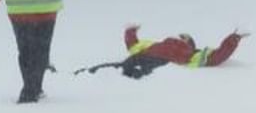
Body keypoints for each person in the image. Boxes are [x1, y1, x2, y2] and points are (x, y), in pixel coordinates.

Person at [75, 25, 247, 79]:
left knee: (137, 72)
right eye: (181, 36)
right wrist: (131, 31)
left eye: (185, 38)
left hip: (160, 62)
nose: (180, 38)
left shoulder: (194, 54)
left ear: (191, 43)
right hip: (141, 56)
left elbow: (217, 57)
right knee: (118, 67)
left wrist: (233, 39)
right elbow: (133, 45)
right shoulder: (155, 43)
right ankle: (85, 73)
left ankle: (129, 77)